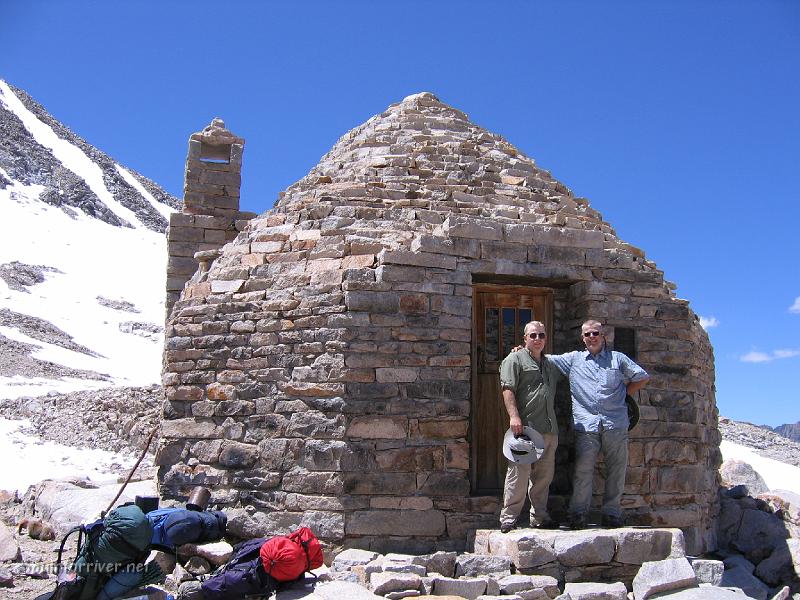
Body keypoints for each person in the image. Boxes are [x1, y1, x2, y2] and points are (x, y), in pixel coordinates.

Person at [548, 320, 649, 529]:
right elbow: (545, 359)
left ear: (604, 336)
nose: (592, 337)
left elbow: (641, 377)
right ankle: (578, 514)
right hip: (586, 425)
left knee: (617, 469)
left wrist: (624, 396)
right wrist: (523, 350)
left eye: (596, 333)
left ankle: (611, 513)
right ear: (582, 338)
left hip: (615, 423)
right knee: (583, 470)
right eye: (587, 334)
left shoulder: (617, 359)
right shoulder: (574, 360)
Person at [498, 320, 562, 533]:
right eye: (533, 335)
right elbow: (507, 388)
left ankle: (540, 516)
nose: (537, 339)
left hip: (549, 428)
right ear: (524, 338)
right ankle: (509, 518)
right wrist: (514, 416)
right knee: (519, 473)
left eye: (541, 335)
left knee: (543, 478)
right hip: (525, 428)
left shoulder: (551, 364)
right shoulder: (514, 359)